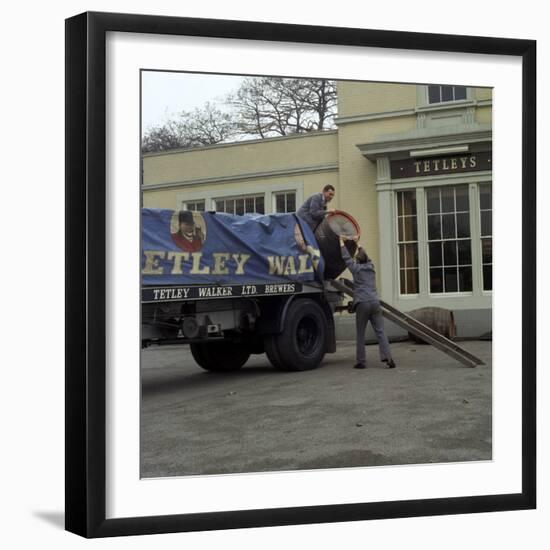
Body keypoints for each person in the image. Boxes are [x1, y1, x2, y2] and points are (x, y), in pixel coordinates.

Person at [340, 235, 396, 369]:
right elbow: (365, 255)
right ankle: (388, 358)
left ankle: (361, 361)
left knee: (360, 334)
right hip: (375, 302)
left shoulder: (356, 269)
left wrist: (341, 242)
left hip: (363, 303)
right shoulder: (371, 267)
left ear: (357, 261)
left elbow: (346, 258)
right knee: (381, 332)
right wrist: (357, 242)